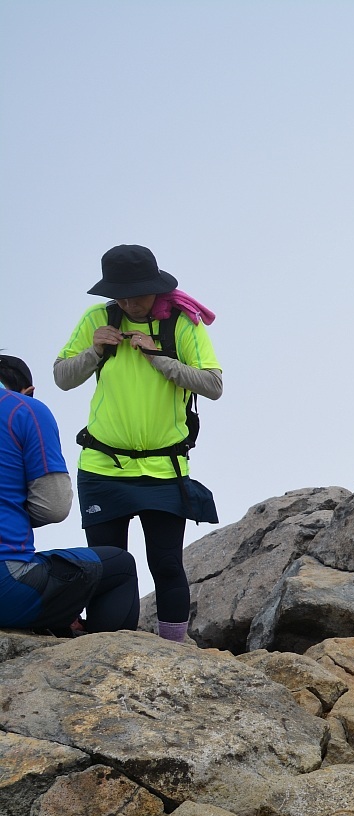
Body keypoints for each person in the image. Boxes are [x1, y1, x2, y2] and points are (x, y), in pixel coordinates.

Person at [55, 245, 222, 645]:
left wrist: (158, 356)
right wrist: (96, 349)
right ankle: (106, 647)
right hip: (102, 467)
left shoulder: (183, 323)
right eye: (122, 294)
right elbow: (62, 377)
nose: (130, 302)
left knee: (165, 564)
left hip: (164, 470)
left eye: (139, 293)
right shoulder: (98, 318)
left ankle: (174, 649)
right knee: (107, 565)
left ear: (156, 287)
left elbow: (213, 386)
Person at [1, 353, 139, 636]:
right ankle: (106, 665)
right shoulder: (24, 409)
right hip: (7, 582)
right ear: (29, 392)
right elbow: (53, 506)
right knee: (121, 567)